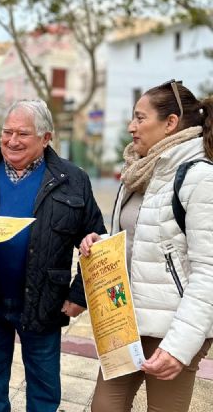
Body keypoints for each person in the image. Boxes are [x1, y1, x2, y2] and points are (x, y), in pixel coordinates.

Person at [0, 99, 106, 412]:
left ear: (46, 138)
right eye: (7, 132)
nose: (12, 141)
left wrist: (79, 295)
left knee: (44, 389)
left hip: (44, 303)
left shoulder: (73, 180)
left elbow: (97, 242)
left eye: (23, 134)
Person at [79, 81, 213, 412]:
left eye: (140, 118)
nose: (131, 127)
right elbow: (145, 237)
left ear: (170, 123)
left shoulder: (200, 178)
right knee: (104, 408)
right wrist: (104, 244)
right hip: (126, 319)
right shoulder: (141, 172)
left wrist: (179, 347)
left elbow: (208, 271)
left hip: (172, 325)